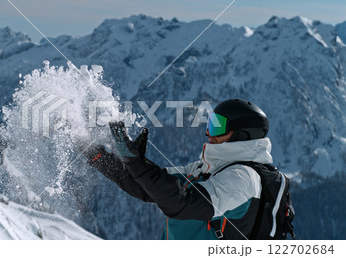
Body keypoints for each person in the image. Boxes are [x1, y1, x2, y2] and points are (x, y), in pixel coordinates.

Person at [84, 99, 271, 239]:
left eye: (217, 126)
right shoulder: (204, 169)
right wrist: (94, 153)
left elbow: (183, 204)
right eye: (210, 124)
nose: (208, 132)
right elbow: (146, 186)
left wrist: (137, 164)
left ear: (242, 135)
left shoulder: (243, 179)